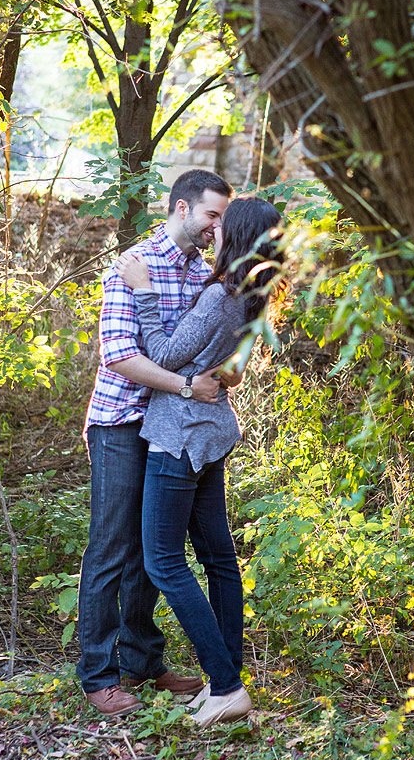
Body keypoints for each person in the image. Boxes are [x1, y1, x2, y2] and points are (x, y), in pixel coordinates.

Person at [114, 196, 282, 727]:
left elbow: (162, 356)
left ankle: (227, 686)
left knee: (163, 559)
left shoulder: (217, 298)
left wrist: (143, 290)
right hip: (211, 437)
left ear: (235, 240)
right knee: (218, 560)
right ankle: (223, 678)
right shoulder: (252, 301)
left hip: (180, 436)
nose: (213, 230)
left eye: (222, 225)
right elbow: (224, 365)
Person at [78, 169, 234, 717]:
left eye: (222, 217)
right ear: (182, 207)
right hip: (123, 421)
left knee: (152, 549)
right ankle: (99, 676)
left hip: (171, 428)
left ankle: (143, 660)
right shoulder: (134, 266)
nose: (218, 226)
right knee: (112, 547)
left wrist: (222, 371)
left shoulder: (199, 272)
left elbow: (196, 345)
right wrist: (190, 385)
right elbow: (120, 354)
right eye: (212, 215)